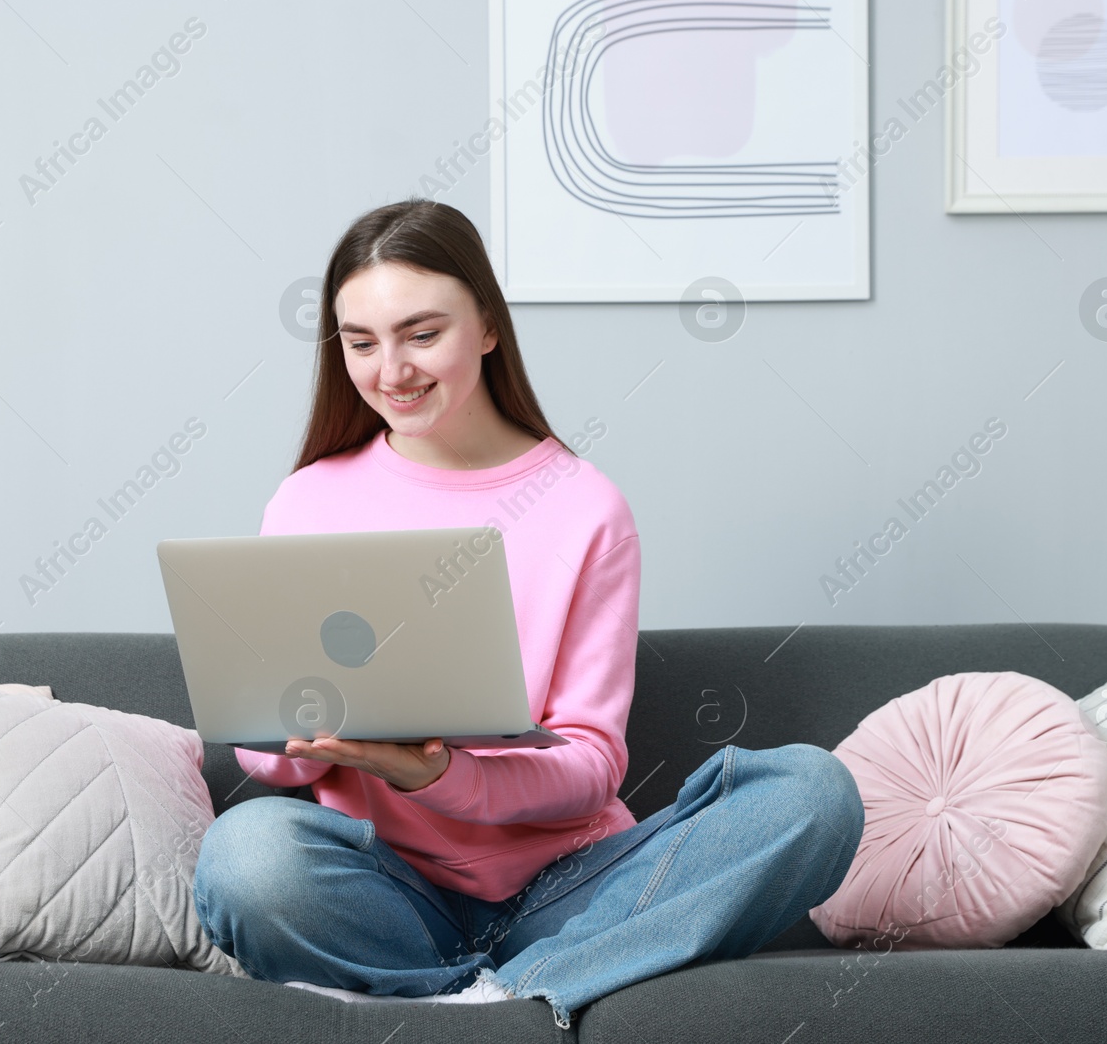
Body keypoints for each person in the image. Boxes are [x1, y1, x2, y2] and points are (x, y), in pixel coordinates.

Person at [192, 198, 864, 1029]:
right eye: (361, 342)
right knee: (245, 855)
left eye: (421, 333)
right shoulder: (309, 498)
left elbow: (590, 767)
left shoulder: (585, 507)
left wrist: (436, 773)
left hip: (574, 888)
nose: (390, 370)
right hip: (387, 890)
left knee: (815, 792)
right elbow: (269, 765)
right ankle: (530, 986)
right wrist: (297, 742)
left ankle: (496, 995)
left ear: (487, 327)